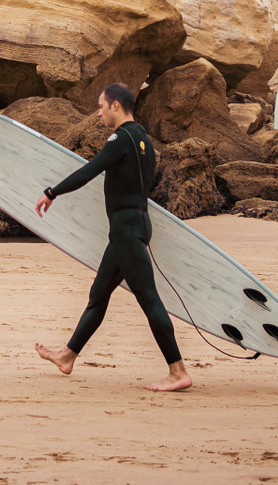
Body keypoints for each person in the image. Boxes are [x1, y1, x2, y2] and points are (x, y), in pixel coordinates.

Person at [33, 83, 189, 393]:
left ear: (116, 106)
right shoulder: (143, 139)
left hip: (126, 231)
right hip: (134, 226)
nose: (99, 112)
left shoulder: (121, 138)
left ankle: (178, 371)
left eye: (101, 106)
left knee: (149, 299)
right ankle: (67, 356)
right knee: (99, 294)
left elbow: (90, 170)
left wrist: (52, 191)